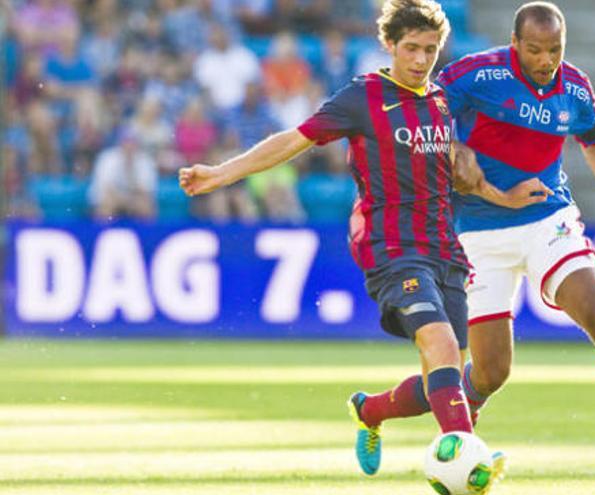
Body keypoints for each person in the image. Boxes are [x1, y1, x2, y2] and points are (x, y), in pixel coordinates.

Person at [178, 0, 549, 487]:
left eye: (430, 51)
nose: (420, 60)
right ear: (390, 45)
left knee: (446, 374)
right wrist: (221, 173)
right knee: (439, 344)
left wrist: (501, 195)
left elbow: (452, 175)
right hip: (392, 248)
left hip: (445, 249)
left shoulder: (438, 101)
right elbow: (296, 139)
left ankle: (369, 410)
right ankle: (468, 456)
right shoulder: (364, 97)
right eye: (411, 49)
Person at [353, 1, 595, 478]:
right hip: (475, 233)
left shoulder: (574, 88)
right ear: (514, 44)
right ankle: (372, 411)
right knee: (489, 372)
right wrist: (455, 147)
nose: (545, 60)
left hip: (547, 220)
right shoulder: (479, 75)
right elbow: (421, 111)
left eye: (554, 49)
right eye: (534, 49)